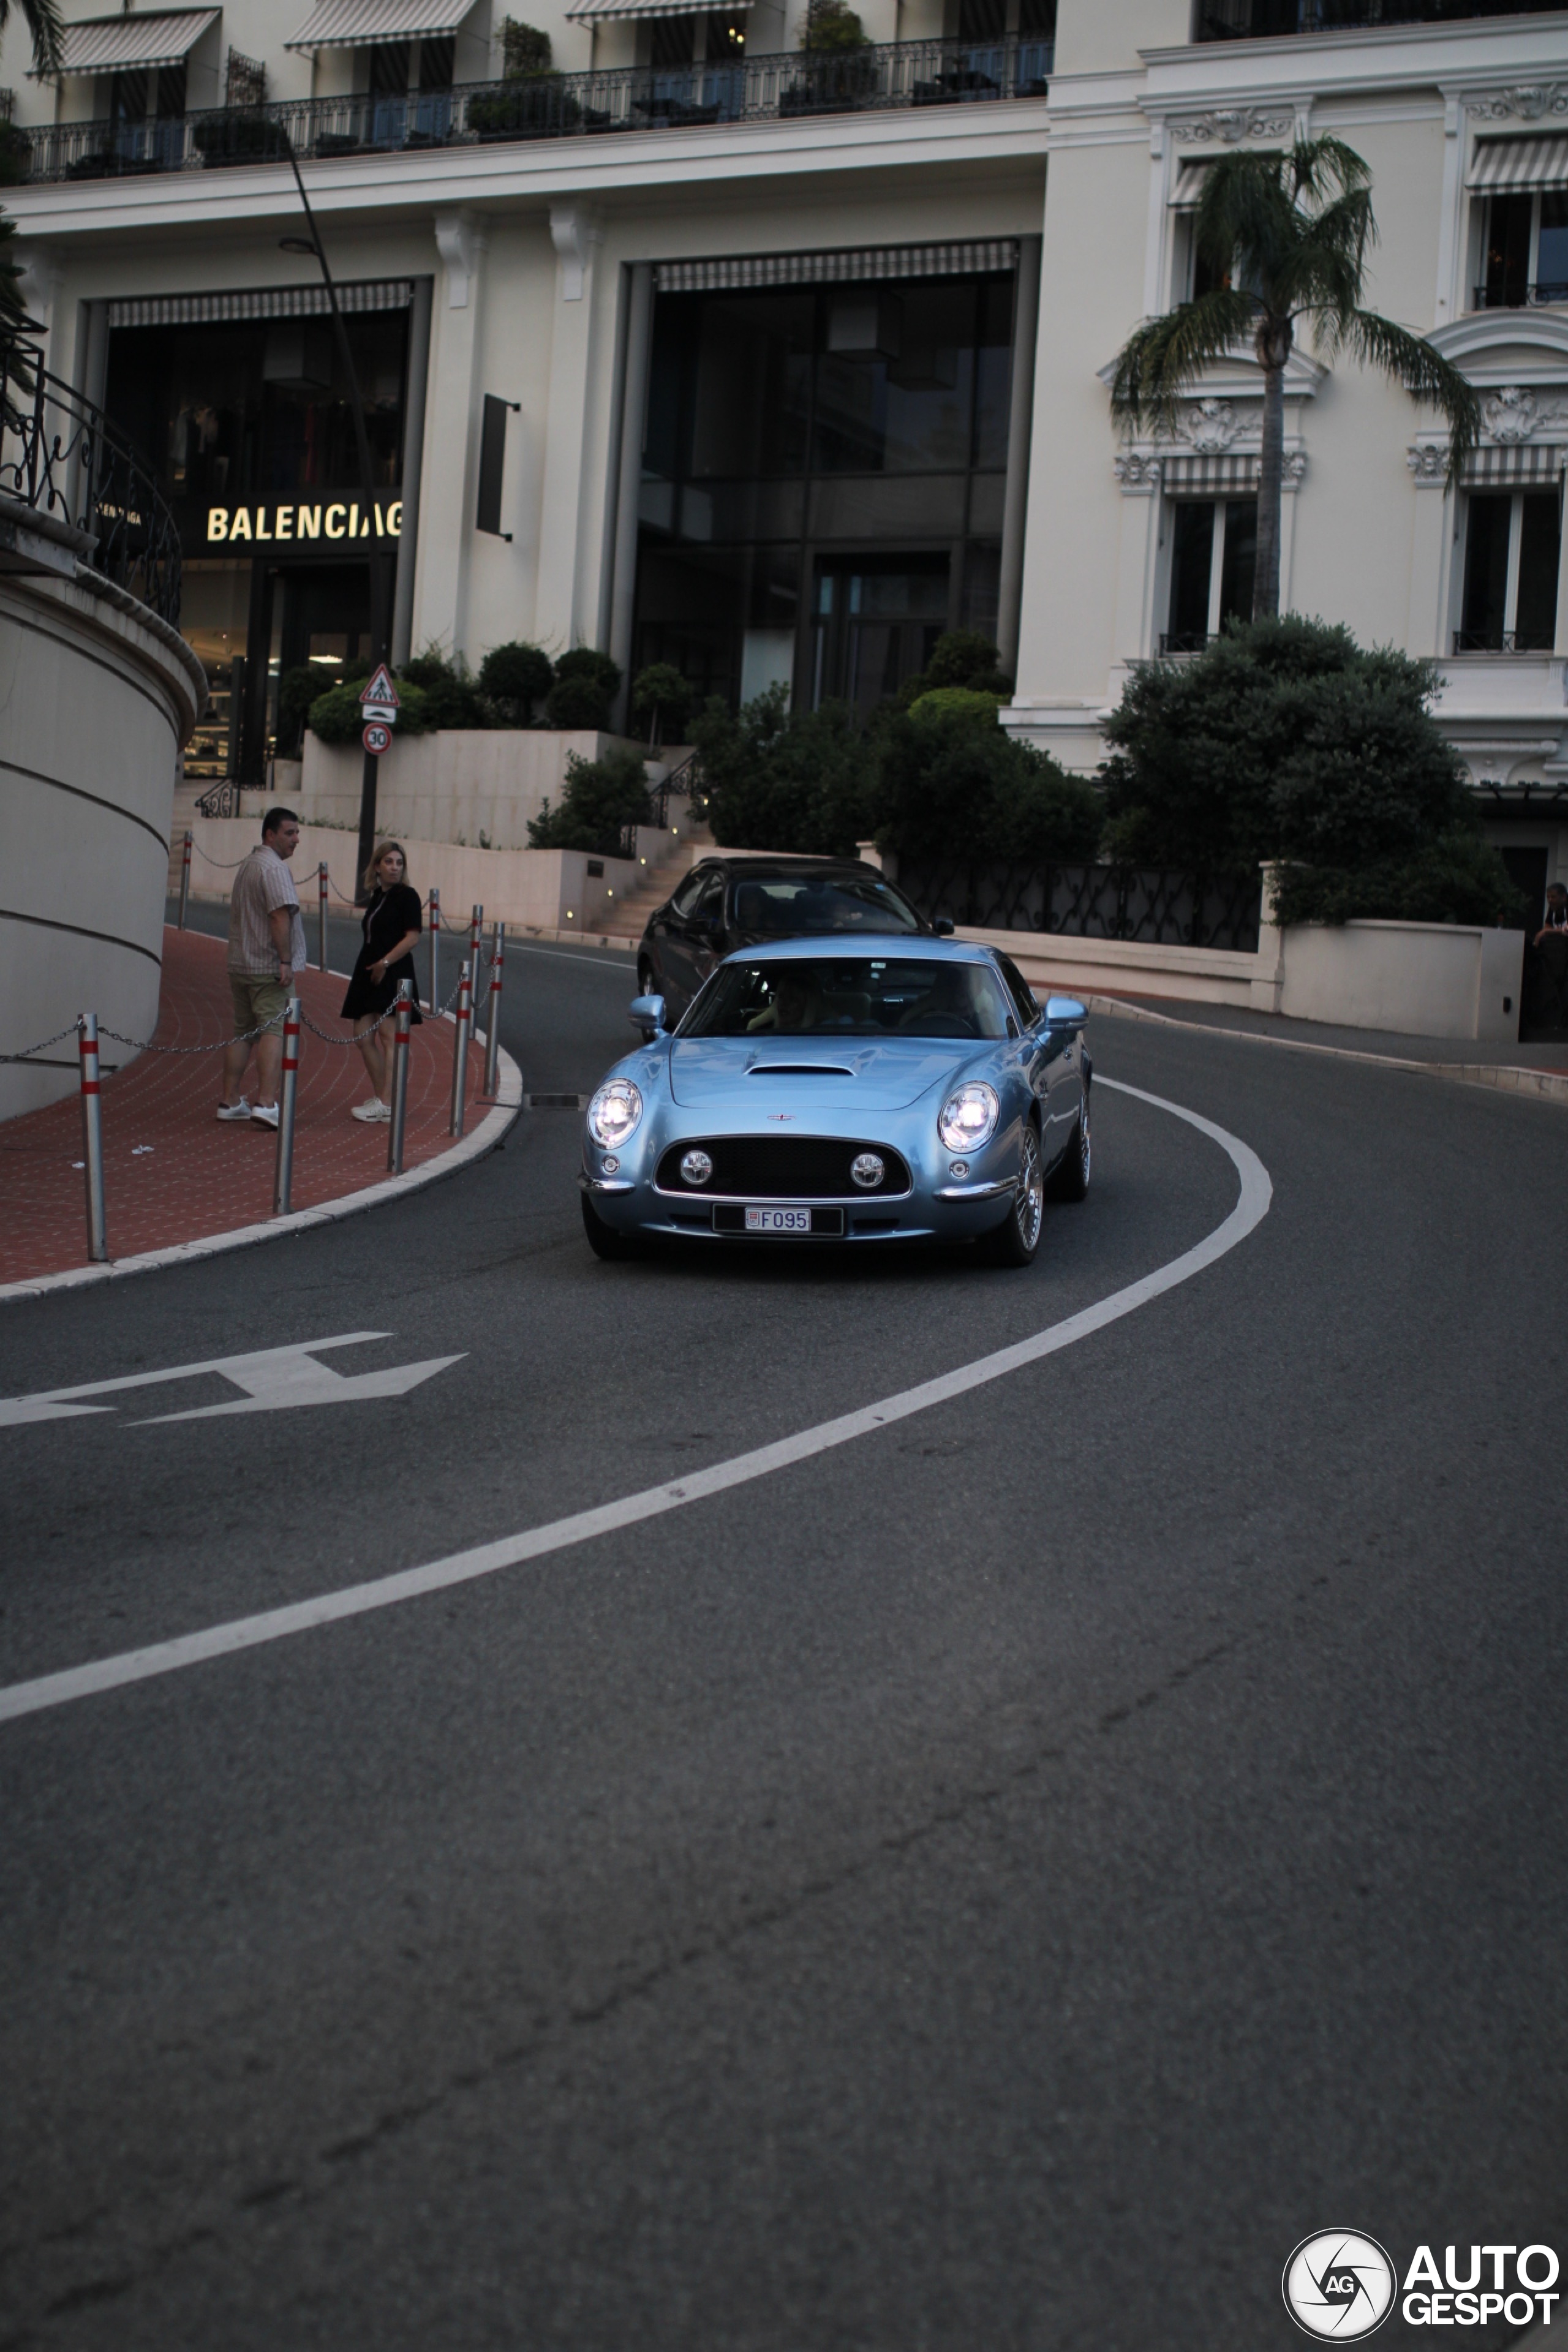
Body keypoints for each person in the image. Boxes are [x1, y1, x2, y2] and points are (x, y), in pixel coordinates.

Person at [220, 806, 307, 1130]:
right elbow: (279, 915)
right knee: (275, 1030)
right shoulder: (273, 869)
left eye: (297, 832)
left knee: (242, 1032)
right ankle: (267, 1103)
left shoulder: (248, 865)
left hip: (240, 963)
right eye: (289, 833)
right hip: (268, 966)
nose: (296, 839)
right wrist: (285, 960)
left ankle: (230, 1100)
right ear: (270, 835)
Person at [340, 840, 423, 1121]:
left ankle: (387, 1103)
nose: (394, 868)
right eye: (389, 862)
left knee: (390, 1038)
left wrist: (385, 963)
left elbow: (412, 937)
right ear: (377, 866)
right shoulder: (378, 895)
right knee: (363, 1036)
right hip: (368, 969)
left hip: (394, 971)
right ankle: (384, 1100)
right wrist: (374, 965)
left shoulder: (407, 896)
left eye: (399, 863)